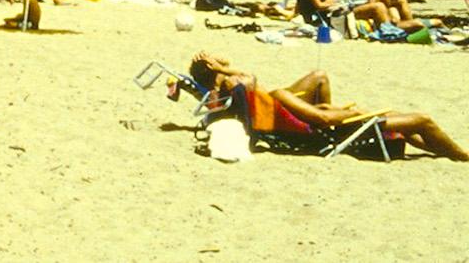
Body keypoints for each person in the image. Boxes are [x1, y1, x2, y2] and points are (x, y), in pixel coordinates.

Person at [188, 52, 469, 161]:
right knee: (422, 119)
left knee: (408, 125)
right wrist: (351, 113)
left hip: (327, 126)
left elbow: (241, 84)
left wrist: (222, 71)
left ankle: (446, 152)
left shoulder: (265, 101)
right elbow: (320, 121)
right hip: (333, 132)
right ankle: (462, 155)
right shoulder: (277, 97)